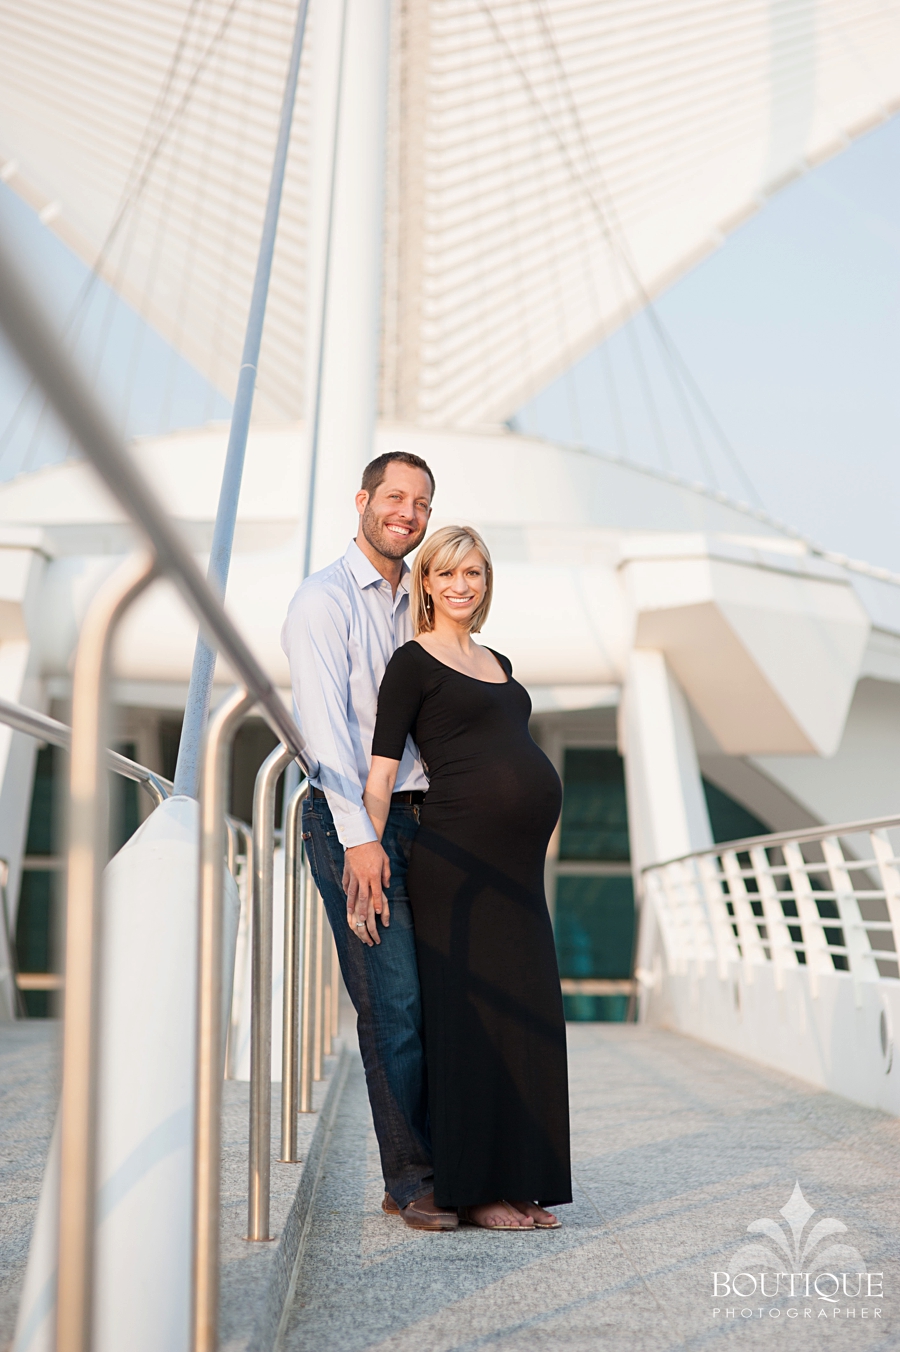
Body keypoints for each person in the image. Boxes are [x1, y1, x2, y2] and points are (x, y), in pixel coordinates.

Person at [363, 525, 572, 1231]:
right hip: (458, 863)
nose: (462, 585)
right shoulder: (411, 663)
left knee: (527, 1015)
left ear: (486, 582)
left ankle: (521, 1179)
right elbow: (383, 771)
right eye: (447, 573)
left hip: (516, 870)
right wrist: (368, 849)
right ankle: (477, 1187)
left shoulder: (499, 660)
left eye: (474, 573)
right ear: (426, 582)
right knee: (473, 1020)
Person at [280, 451, 459, 1232]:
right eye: (395, 498)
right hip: (353, 826)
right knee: (392, 1002)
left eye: (421, 503)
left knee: (440, 1004)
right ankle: (411, 1179)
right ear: (362, 501)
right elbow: (323, 733)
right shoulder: (322, 602)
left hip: (427, 821)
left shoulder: (419, 604)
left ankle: (448, 1162)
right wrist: (360, 840)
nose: (408, 514)